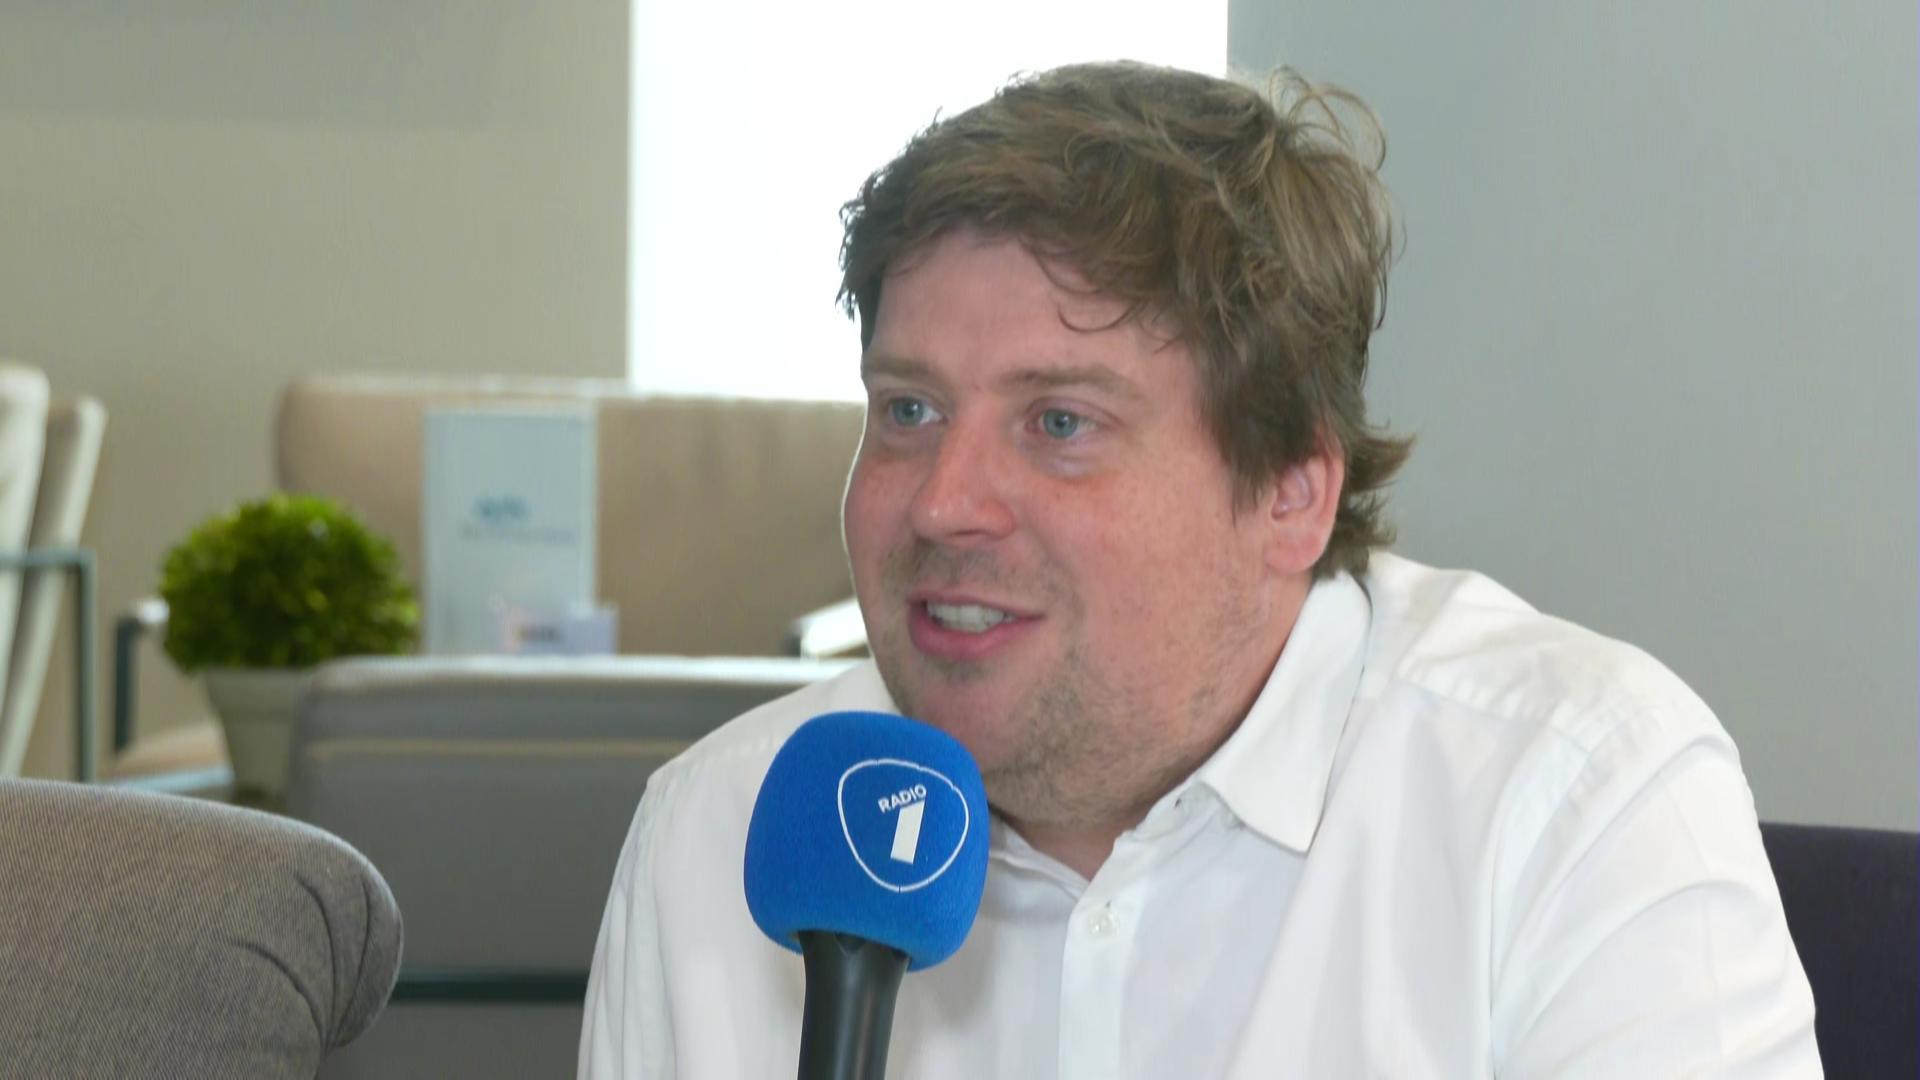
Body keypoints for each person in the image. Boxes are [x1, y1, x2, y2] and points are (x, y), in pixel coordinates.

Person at [580, 61, 1819, 1077]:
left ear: (1292, 492)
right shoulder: (721, 831)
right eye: (908, 410)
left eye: (1060, 423)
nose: (944, 502)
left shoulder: (1572, 802)